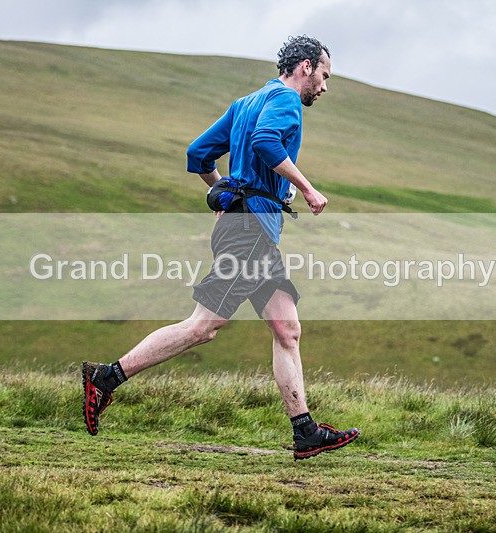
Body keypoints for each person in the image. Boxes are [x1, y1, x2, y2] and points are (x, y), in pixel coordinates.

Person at [82, 35, 360, 460]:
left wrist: (229, 192)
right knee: (204, 326)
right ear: (305, 67)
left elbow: (199, 155)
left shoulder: (246, 103)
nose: (324, 87)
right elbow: (267, 143)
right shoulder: (284, 102)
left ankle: (304, 431)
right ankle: (106, 378)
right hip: (247, 232)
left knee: (287, 328)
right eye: (324, 76)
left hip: (252, 230)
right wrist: (307, 188)